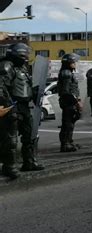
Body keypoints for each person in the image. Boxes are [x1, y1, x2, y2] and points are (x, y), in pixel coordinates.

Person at [0, 43, 45, 179]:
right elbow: (1, 88)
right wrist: (9, 105)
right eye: (24, 54)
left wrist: (36, 93)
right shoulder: (6, 66)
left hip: (24, 106)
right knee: (10, 139)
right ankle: (9, 166)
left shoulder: (23, 68)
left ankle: (29, 162)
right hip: (12, 105)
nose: (26, 56)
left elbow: (26, 87)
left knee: (30, 135)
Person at [57, 53, 82, 152]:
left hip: (70, 102)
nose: (75, 64)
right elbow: (66, 91)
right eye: (73, 62)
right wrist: (76, 102)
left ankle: (69, 142)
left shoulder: (67, 72)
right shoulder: (66, 73)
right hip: (68, 102)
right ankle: (65, 144)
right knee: (67, 124)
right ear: (69, 63)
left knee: (70, 123)